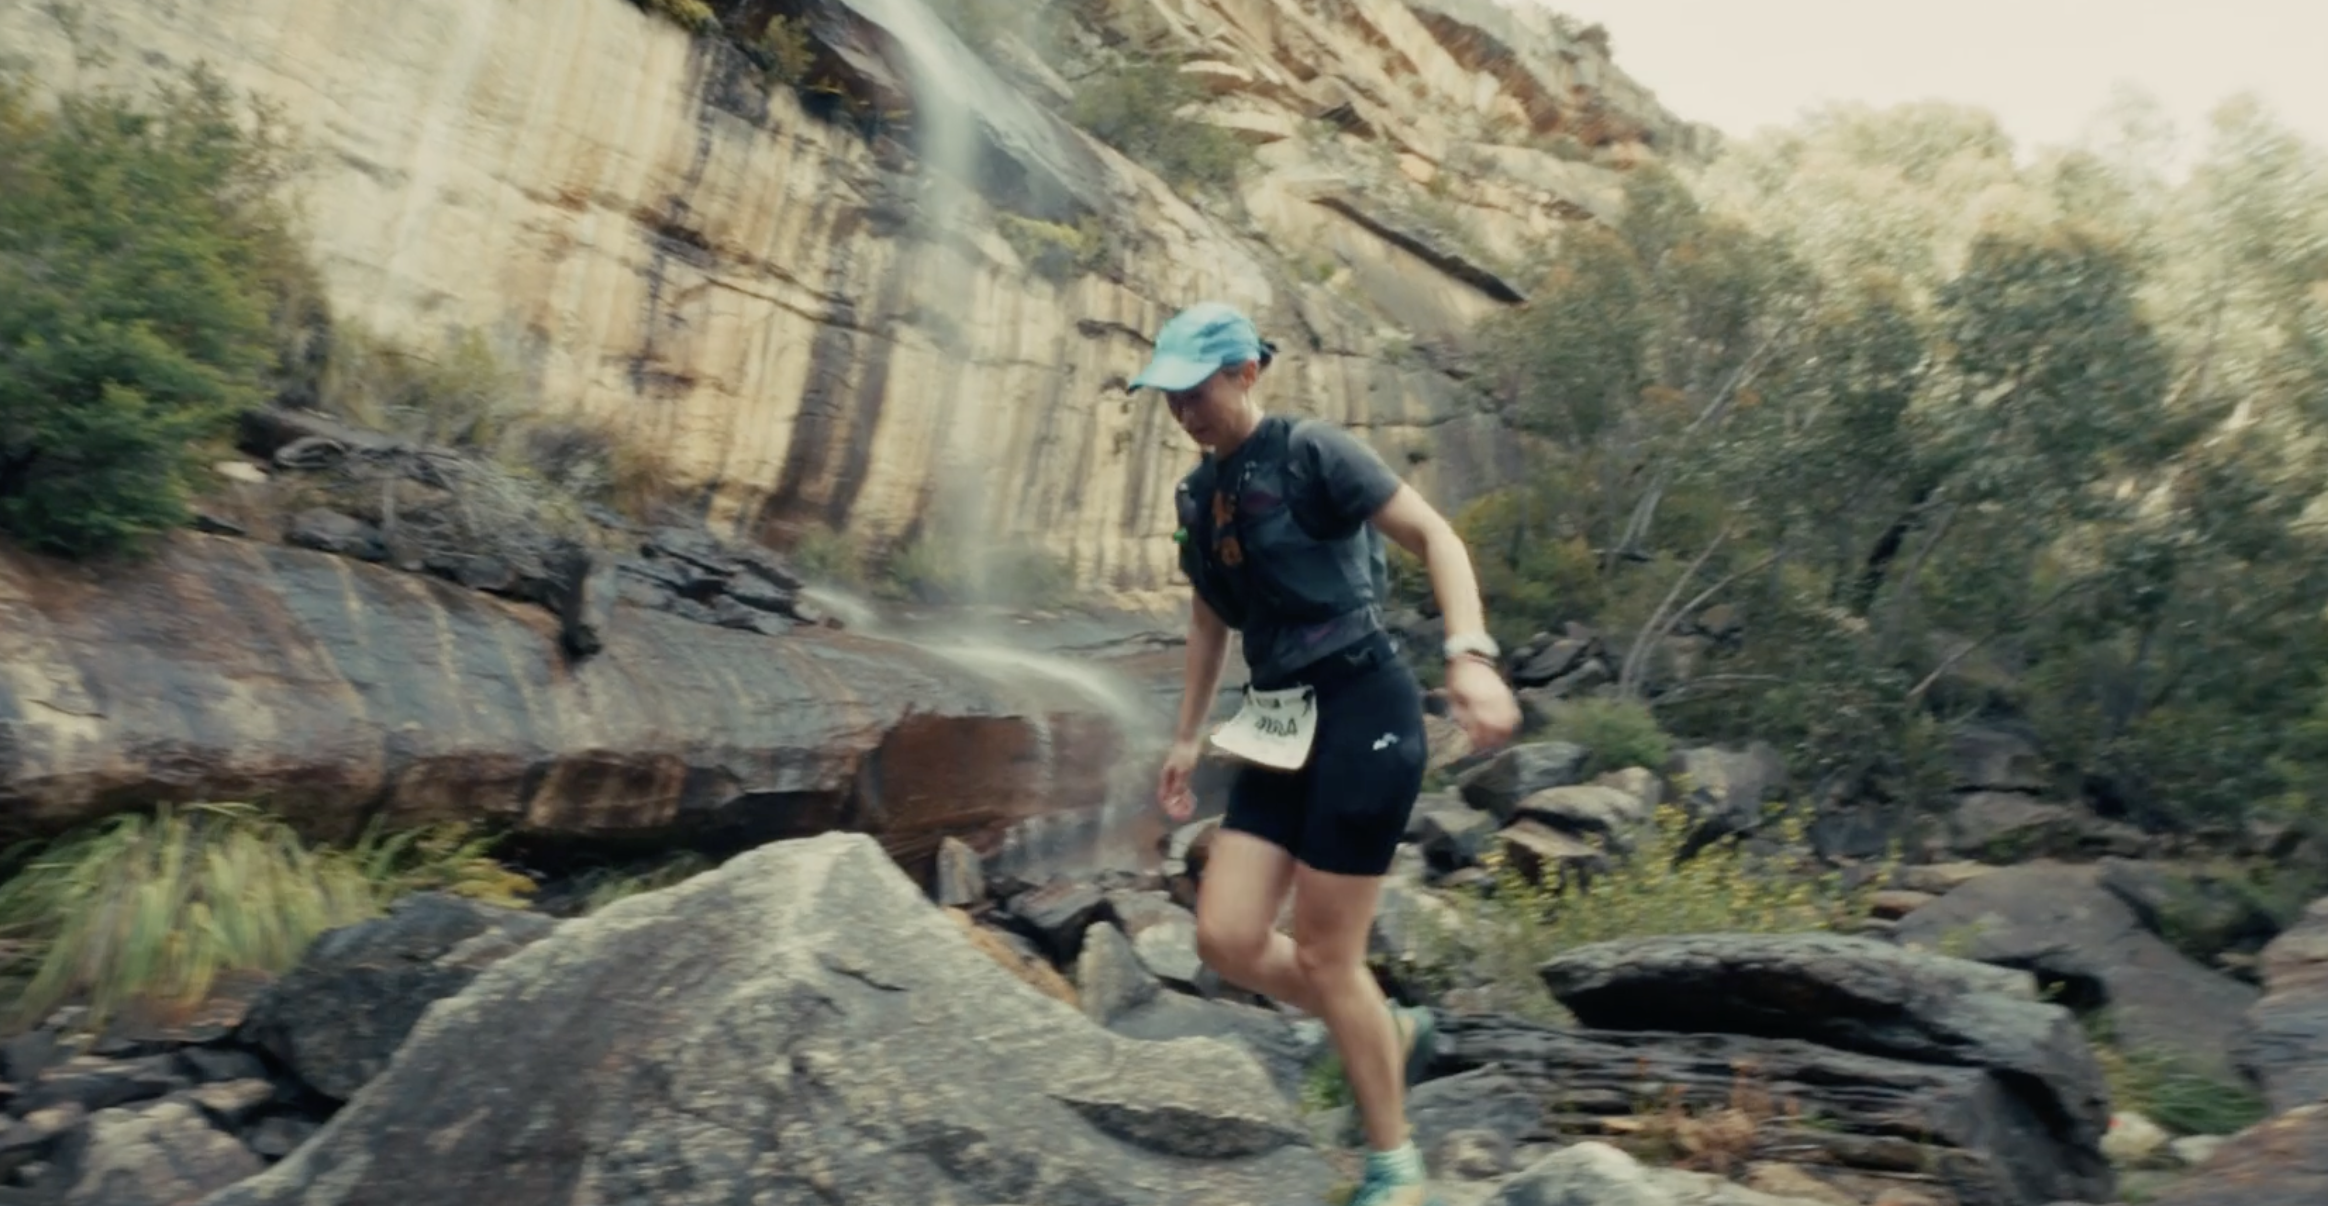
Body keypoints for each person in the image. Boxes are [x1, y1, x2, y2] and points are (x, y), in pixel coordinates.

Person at [1131, 301, 1520, 1206]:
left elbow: (1438, 539)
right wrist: (1186, 735)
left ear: (1244, 374)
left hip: (1362, 708)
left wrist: (1469, 655)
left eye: (1196, 389)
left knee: (1323, 954)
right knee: (1226, 935)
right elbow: (1207, 619)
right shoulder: (1196, 496)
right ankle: (1384, 1030)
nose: (1183, 410)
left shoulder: (1315, 452)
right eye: (1169, 395)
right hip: (1274, 722)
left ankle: (1395, 1166)